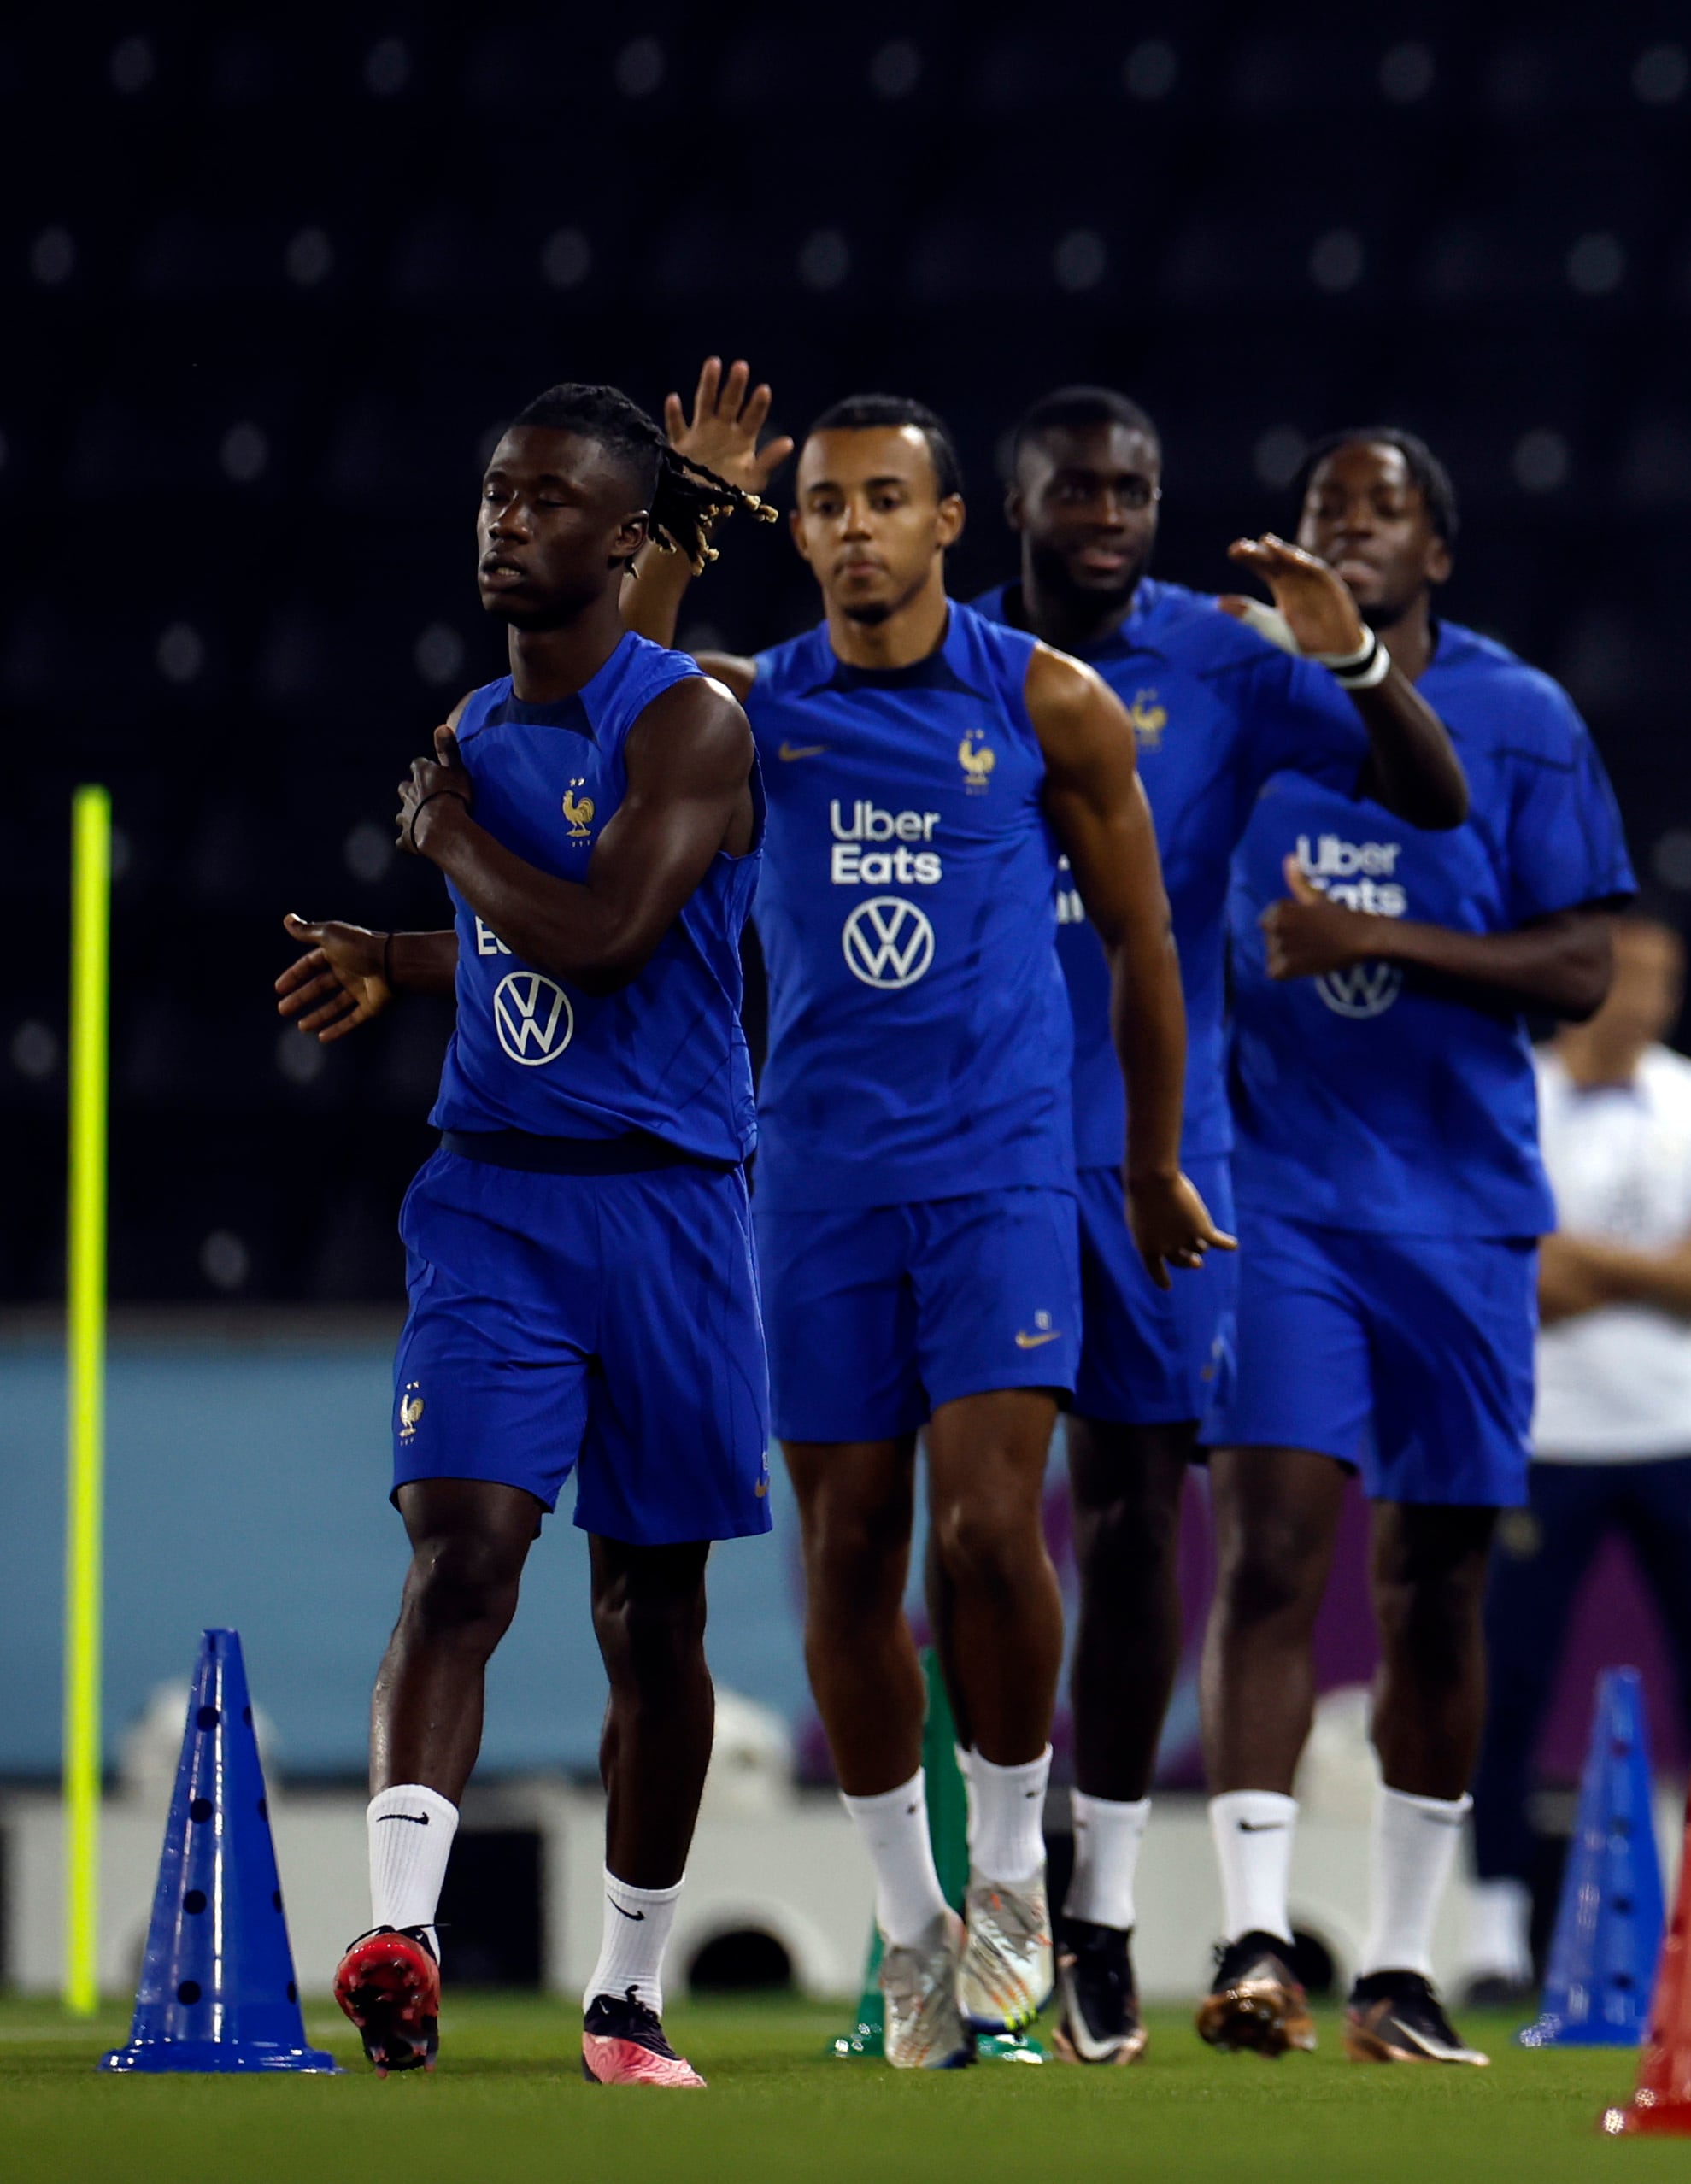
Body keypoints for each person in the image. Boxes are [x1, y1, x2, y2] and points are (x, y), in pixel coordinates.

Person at [629, 377, 1223, 2068]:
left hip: (1000, 1172)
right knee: (843, 1550)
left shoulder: (1048, 701)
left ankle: (1016, 1886)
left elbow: (1145, 947)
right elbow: (621, 703)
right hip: (815, 1180)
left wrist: (1154, 1157)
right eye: (825, 504)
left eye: (887, 498)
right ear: (799, 527)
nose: (856, 527)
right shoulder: (762, 710)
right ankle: (909, 1930)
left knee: (984, 1531)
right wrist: (685, 516)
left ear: (950, 522)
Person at [275, 384, 776, 2085]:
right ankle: (402, 1931)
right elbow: (506, 948)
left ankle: (626, 1994)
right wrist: (400, 945)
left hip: (673, 1204)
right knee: (465, 1545)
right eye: (497, 492)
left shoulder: (691, 725)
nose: (507, 520)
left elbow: (613, 934)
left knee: (652, 1609)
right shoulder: (478, 726)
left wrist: (447, 852)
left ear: (623, 539)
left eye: (551, 499)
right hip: (495, 1190)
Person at [974, 385, 1465, 2062]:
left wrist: (1351, 662)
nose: (1110, 510)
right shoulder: (942, 661)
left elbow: (1432, 795)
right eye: (1078, 486)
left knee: (1124, 1526)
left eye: (1135, 486)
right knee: (971, 1529)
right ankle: (992, 1892)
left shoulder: (1226, 653)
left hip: (1146, 1153)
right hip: (969, 1147)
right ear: (1013, 500)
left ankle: (1099, 1907)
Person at [1195, 428, 1636, 2068]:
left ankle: (1396, 1966)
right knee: (1267, 1550)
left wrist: (1374, 934)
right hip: (1279, 1196)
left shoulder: (1523, 718)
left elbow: (1584, 966)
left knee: (1436, 1580)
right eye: (1323, 513)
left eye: (1378, 515)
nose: (1347, 534)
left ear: (1433, 554)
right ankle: (1252, 1936)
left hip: (1457, 1206)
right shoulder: (1238, 699)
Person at [1461, 913, 1691, 2002]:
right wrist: (1666, 1265)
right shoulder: (1508, 1095)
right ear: (1576, 984)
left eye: (1665, 977)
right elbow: (1500, 1278)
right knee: (1503, 1686)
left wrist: (1574, 1257)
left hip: (1684, 1433)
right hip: (1544, 1434)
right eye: (1627, 978)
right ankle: (1494, 1933)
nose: (1648, 1000)